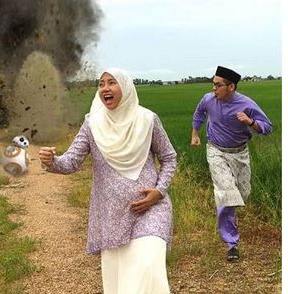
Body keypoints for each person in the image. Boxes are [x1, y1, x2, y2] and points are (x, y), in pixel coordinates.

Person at [39, 68, 176, 294]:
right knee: (120, 282)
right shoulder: (93, 125)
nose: (105, 88)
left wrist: (159, 191)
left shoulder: (147, 120)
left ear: (126, 87)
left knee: (147, 266)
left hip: (151, 210)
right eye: (101, 84)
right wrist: (52, 161)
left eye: (112, 82)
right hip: (111, 216)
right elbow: (71, 162)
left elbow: (169, 158)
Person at [190, 66, 273, 262]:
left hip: (240, 153)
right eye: (213, 84)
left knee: (242, 193)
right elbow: (199, 113)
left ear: (232, 87)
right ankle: (231, 244)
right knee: (227, 194)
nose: (214, 89)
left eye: (218, 85)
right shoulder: (208, 100)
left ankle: (225, 207)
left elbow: (267, 127)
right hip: (216, 151)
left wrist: (250, 122)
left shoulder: (246, 104)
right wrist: (195, 134)